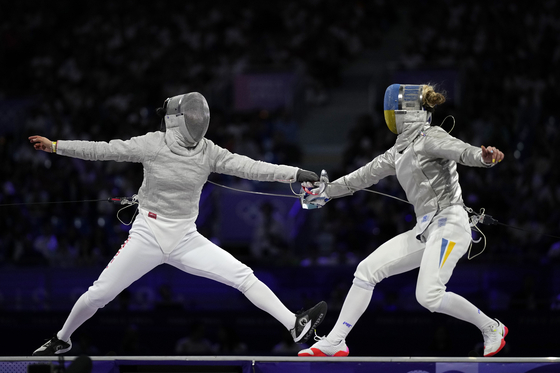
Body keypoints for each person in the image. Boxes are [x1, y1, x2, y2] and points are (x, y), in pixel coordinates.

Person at [29, 92, 327, 355]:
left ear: (173, 119)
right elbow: (102, 149)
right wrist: (56, 146)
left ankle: (293, 324)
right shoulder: (152, 144)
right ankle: (62, 338)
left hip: (185, 237)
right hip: (147, 233)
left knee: (243, 275)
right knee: (100, 294)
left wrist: (296, 172)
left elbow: (252, 167)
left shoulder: (209, 151)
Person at [298, 84, 507, 357]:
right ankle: (336, 340)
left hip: (450, 222)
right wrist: (325, 192)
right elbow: (360, 177)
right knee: (366, 270)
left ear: (402, 111)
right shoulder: (397, 152)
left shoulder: (431, 136)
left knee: (428, 294)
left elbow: (462, 151)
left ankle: (491, 328)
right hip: (425, 229)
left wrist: (484, 157)